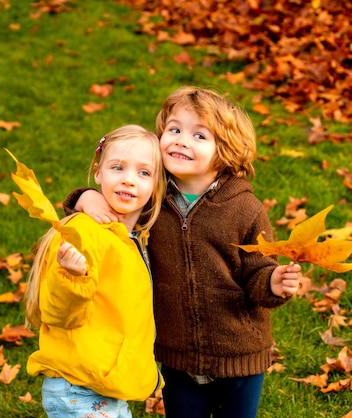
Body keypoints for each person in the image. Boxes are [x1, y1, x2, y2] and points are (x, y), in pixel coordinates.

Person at [63, 86, 301, 418]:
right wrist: (84, 198)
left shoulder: (245, 209)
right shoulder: (152, 200)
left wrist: (273, 282)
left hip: (239, 355)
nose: (181, 140)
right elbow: (116, 203)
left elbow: (258, 269)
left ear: (225, 151)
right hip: (177, 356)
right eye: (174, 130)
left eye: (198, 135)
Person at [22, 125, 166, 418]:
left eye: (144, 173)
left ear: (156, 185)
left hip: (104, 384)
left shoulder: (133, 238)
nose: (129, 180)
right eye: (118, 167)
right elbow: (57, 314)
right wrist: (72, 278)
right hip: (80, 387)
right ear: (98, 173)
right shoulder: (83, 233)